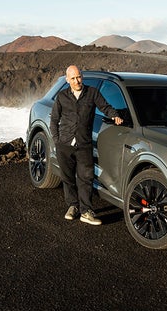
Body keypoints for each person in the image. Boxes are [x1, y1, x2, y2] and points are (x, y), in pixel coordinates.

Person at [49, 65, 124, 225]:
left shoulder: (92, 93)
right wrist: (57, 141)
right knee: (68, 178)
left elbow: (106, 107)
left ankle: (86, 211)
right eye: (73, 78)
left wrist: (115, 116)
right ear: (68, 80)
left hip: (84, 144)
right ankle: (72, 206)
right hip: (65, 144)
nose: (77, 81)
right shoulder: (62, 97)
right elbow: (54, 120)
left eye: (79, 77)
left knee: (86, 178)